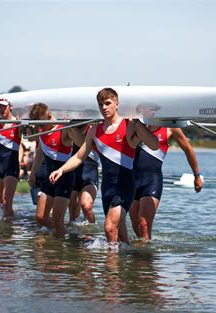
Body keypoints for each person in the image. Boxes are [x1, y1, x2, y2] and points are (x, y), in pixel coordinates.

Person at [49, 88, 159, 243]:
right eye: (101, 105)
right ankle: (127, 262)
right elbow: (80, 156)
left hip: (125, 187)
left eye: (108, 103)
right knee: (120, 237)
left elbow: (154, 145)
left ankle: (110, 267)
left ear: (117, 104)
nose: (104, 108)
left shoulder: (129, 125)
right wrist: (61, 169)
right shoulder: (95, 130)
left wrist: (138, 123)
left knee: (108, 227)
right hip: (107, 189)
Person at [128, 104, 203, 240]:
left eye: (154, 109)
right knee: (135, 226)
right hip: (132, 180)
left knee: (144, 224)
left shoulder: (170, 128)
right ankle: (140, 259)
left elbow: (188, 149)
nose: (152, 112)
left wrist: (196, 175)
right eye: (149, 109)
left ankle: (146, 259)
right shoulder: (133, 126)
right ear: (140, 111)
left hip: (152, 180)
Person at [28, 103, 84, 238]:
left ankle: (61, 252)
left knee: (57, 220)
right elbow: (40, 151)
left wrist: (70, 127)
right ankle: (66, 234)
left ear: (48, 116)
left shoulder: (63, 129)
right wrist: (33, 173)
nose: (38, 128)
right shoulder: (42, 130)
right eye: (37, 125)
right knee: (40, 218)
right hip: (49, 178)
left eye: (41, 125)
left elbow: (83, 143)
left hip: (64, 178)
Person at [68, 125, 99, 224]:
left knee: (86, 206)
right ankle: (73, 235)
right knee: (72, 210)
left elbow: (82, 143)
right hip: (74, 173)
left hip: (90, 173)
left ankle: (91, 230)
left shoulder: (94, 129)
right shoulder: (71, 127)